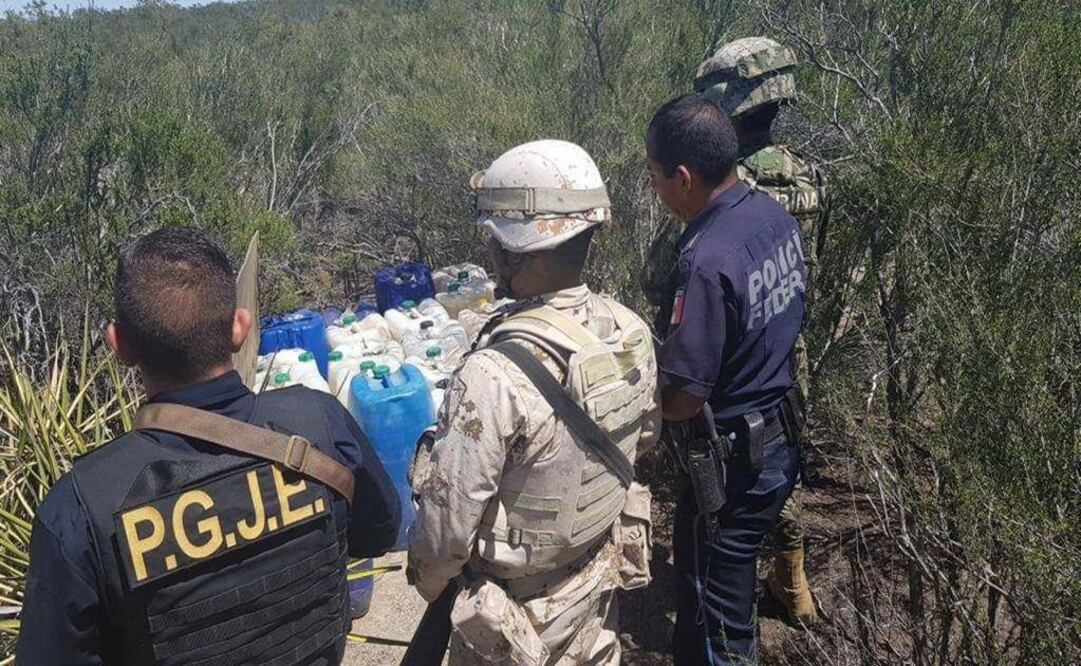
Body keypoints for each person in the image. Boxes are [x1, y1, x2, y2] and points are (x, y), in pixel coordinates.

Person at [15, 227, 401, 665]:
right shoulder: (320, 421)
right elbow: (380, 531)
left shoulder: (81, 509)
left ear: (119, 345)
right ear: (240, 328)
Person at [407, 139, 660, 665]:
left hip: (515, 621)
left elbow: (445, 533)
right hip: (595, 582)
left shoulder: (492, 374)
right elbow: (645, 438)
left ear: (509, 249)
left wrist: (427, 582)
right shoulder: (630, 330)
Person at [642, 36, 826, 625]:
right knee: (780, 470)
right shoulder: (804, 173)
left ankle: (735, 599)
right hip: (785, 348)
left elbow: (663, 274)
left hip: (724, 371)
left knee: (720, 524)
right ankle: (791, 575)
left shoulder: (718, 190)